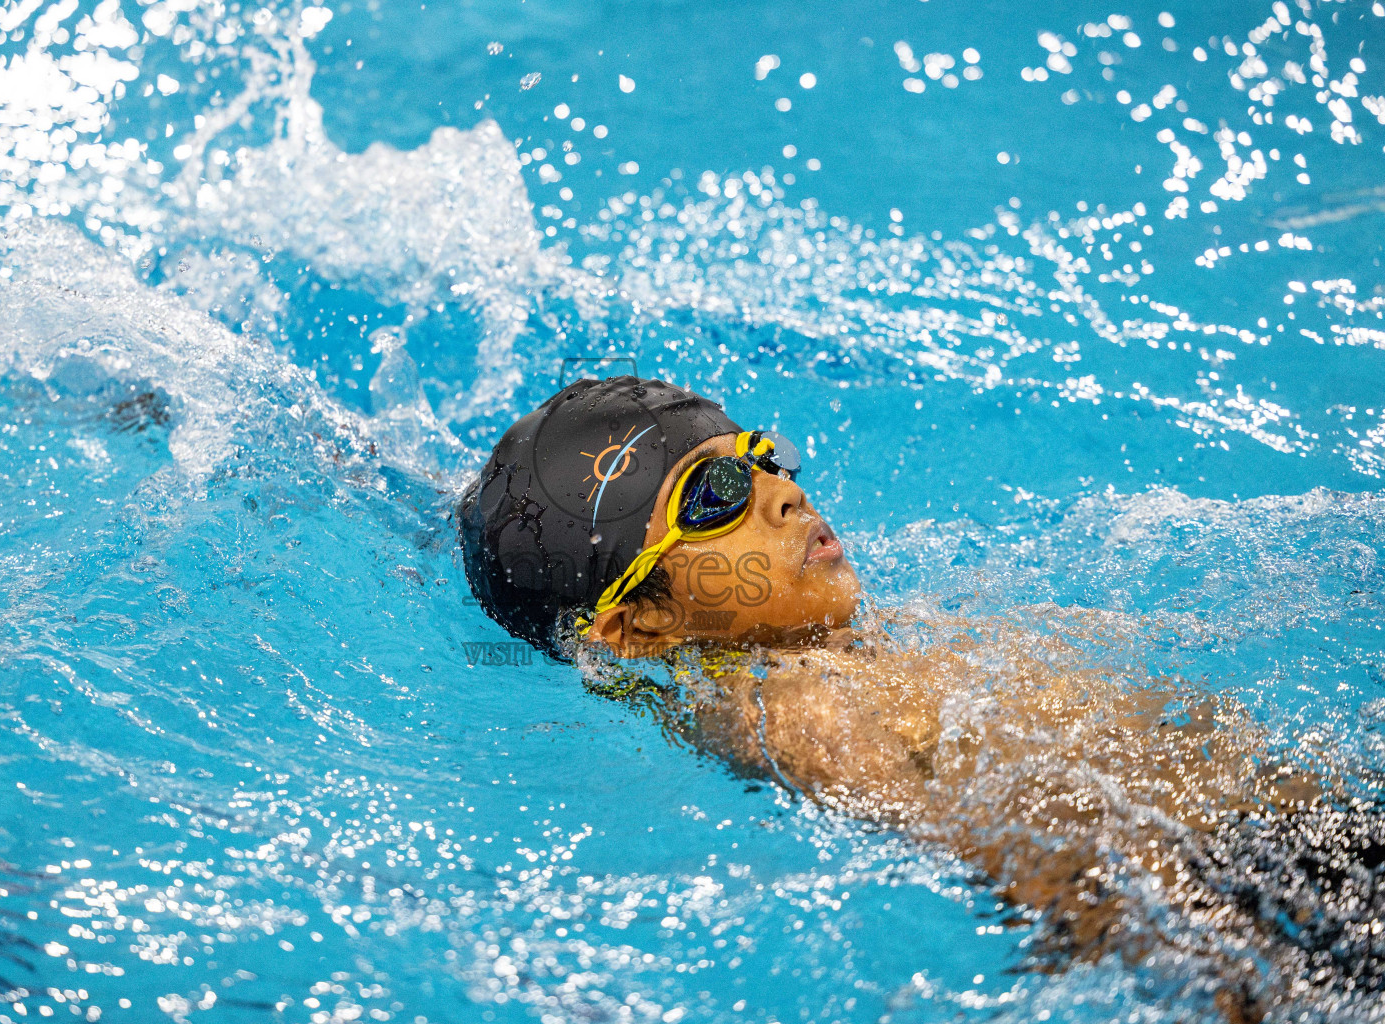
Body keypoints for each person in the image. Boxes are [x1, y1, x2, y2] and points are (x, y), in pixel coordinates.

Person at [457, 375, 1384, 1018]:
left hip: (1283, 841)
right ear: (636, 626)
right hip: (1255, 914)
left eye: (762, 457)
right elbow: (1031, 849)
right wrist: (1240, 979)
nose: (780, 492)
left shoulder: (837, 649)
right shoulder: (798, 708)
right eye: (717, 495)